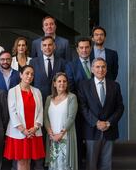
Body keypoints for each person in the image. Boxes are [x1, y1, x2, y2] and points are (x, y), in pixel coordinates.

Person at [77, 58, 124, 170]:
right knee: (91, 165)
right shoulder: (84, 85)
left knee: (107, 165)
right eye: (97, 67)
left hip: (109, 131)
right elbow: (83, 107)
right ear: (92, 69)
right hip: (92, 131)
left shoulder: (115, 85)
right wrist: (96, 122)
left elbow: (120, 107)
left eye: (103, 67)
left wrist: (108, 123)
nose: (100, 69)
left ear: (106, 69)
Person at [4, 65, 45, 170]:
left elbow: (40, 111)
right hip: (19, 132)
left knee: (29, 161)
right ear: (21, 75)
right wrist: (24, 130)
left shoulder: (37, 91)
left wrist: (35, 128)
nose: (30, 76)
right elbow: (12, 113)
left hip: (33, 132)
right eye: (27, 73)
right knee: (22, 162)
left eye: (32, 74)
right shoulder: (12, 91)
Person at [65, 37, 93, 168]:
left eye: (87, 47)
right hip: (79, 109)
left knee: (93, 141)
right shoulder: (71, 65)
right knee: (79, 138)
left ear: (91, 48)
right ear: (77, 50)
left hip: (96, 110)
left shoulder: (97, 63)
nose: (84, 50)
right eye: (81, 48)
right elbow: (70, 87)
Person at [43, 72, 78, 170]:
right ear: (54, 84)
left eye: (64, 81)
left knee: (65, 166)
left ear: (67, 84)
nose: (62, 83)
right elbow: (45, 117)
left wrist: (60, 134)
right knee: (53, 166)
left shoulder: (71, 97)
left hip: (66, 138)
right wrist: (50, 133)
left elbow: (71, 117)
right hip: (52, 138)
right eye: (59, 81)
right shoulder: (49, 99)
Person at [29, 36, 68, 103]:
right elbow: (31, 82)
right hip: (39, 100)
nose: (47, 47)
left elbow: (65, 82)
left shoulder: (62, 62)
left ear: (54, 46)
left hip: (58, 100)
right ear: (41, 48)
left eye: (50, 45)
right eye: (44, 45)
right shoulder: (33, 62)